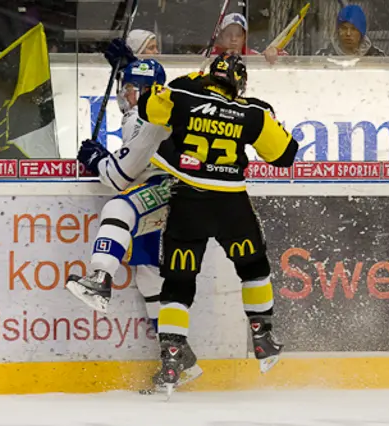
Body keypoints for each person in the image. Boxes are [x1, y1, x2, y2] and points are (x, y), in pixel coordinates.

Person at [135, 52, 299, 393]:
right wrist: (261, 113)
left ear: (208, 76)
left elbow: (147, 105)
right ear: (239, 82)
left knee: (177, 283)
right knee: (254, 267)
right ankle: (262, 337)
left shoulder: (184, 96)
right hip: (231, 205)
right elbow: (285, 155)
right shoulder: (252, 112)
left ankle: (171, 356)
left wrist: (184, 83)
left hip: (188, 202)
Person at [66, 46, 202, 393]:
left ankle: (100, 278)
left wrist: (96, 159)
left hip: (169, 190)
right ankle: (178, 359)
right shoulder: (155, 109)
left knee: (118, 208)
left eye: (128, 87)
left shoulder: (146, 119)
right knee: (150, 277)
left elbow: (118, 177)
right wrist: (131, 67)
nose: (122, 94)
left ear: (142, 92)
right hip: (178, 191)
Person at [209, 13, 283, 65]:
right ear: (221, 36)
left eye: (238, 35)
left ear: (245, 38)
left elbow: (288, 61)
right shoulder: (209, 55)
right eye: (229, 34)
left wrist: (274, 52)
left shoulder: (252, 56)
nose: (233, 39)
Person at [315, 5, 385, 57]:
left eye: (354, 29)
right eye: (344, 28)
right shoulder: (323, 56)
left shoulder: (377, 56)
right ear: (338, 31)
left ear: (361, 32)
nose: (348, 33)